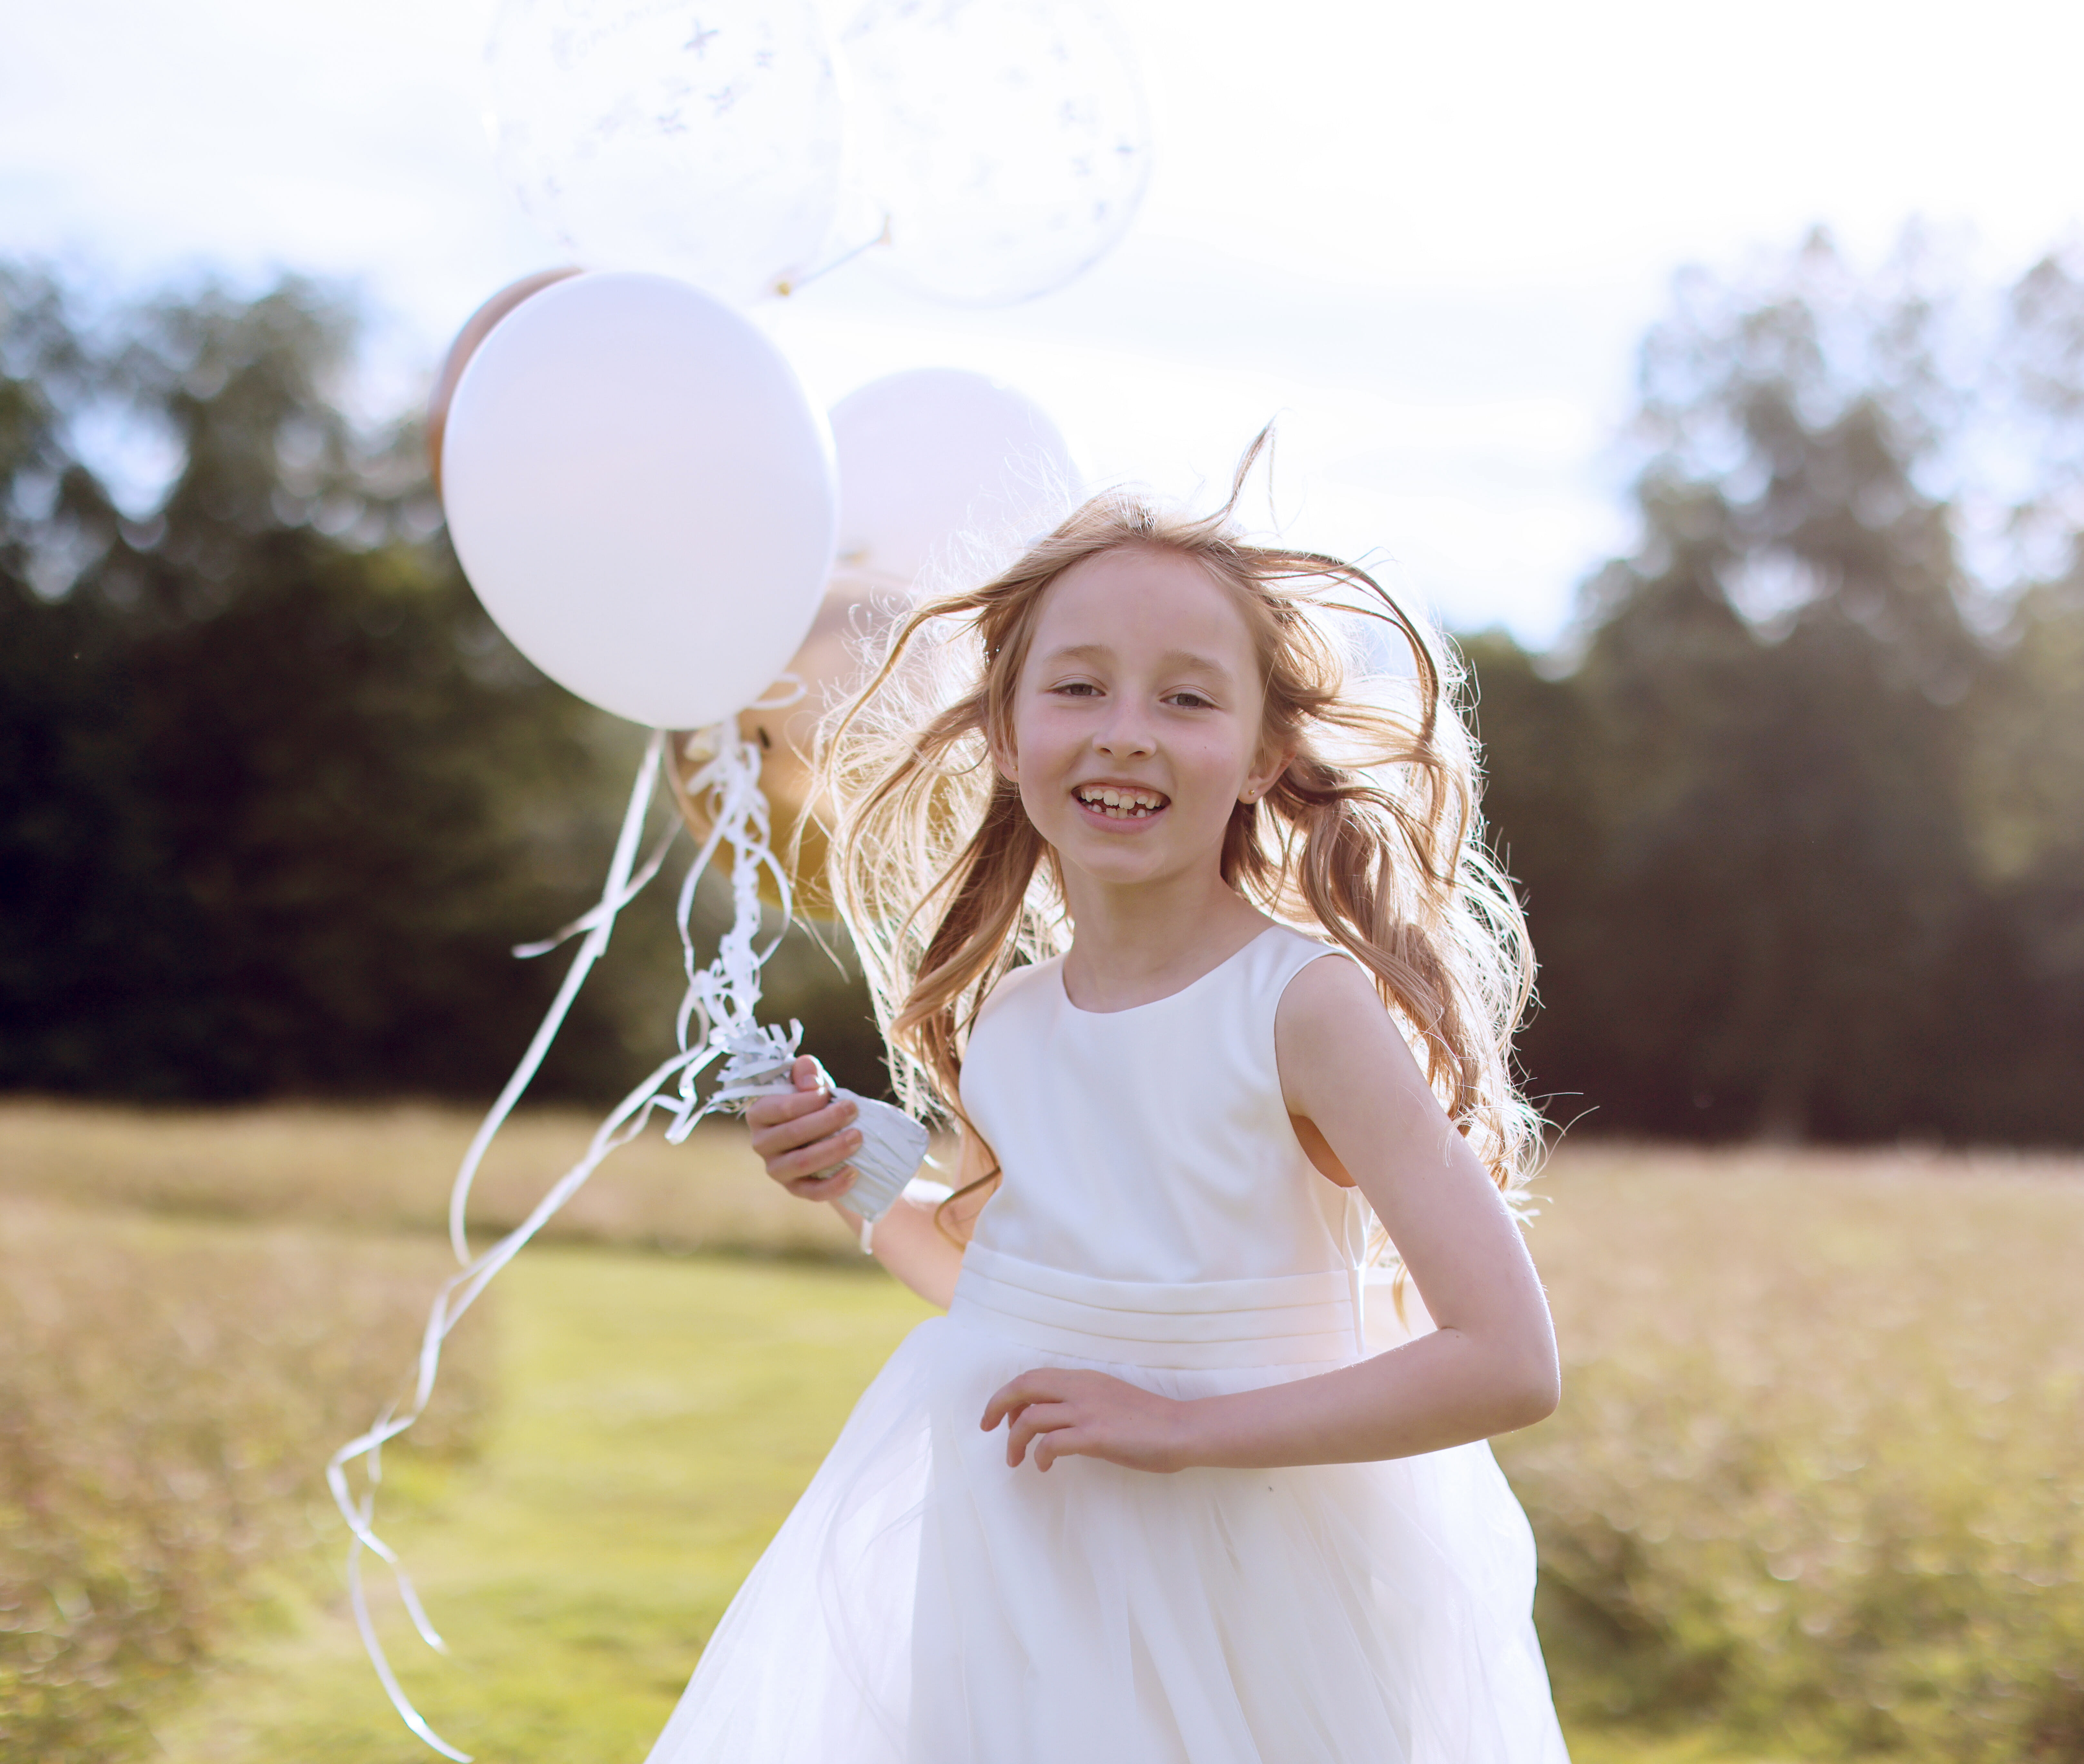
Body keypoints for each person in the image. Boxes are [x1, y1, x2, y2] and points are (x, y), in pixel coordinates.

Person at [645, 444, 1569, 1763]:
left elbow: (1508, 1358)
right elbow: (1012, 1292)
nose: (1124, 728)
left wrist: (1184, 1430)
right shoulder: (1016, 1019)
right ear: (1009, 734)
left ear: (1260, 755)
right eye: (1077, 686)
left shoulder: (1301, 1008)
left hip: (1242, 1577)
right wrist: (855, 1174)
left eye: (1186, 698)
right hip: (1020, 1554)